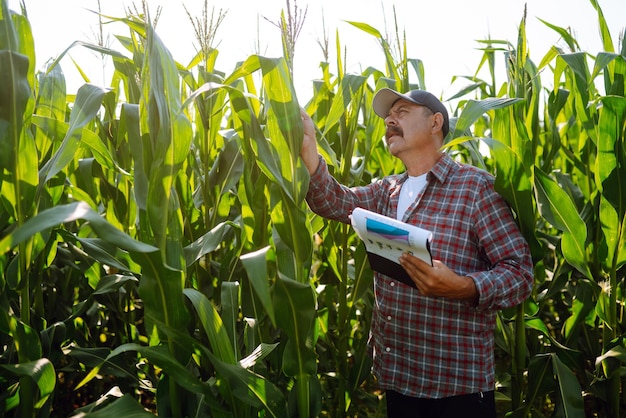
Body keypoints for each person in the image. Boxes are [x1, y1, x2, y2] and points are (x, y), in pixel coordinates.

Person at [299, 88, 534, 418]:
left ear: (436, 122)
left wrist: (465, 286)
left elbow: (520, 273)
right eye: (388, 116)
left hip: (456, 389)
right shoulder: (387, 192)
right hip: (400, 379)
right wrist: (309, 152)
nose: (390, 120)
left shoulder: (475, 188)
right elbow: (334, 202)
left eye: (403, 111)